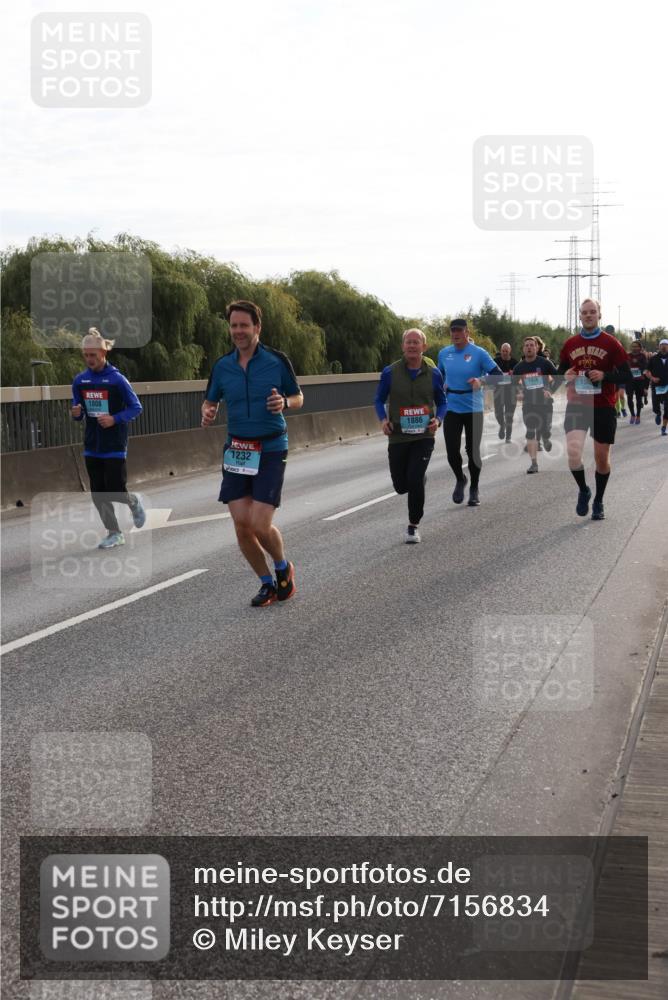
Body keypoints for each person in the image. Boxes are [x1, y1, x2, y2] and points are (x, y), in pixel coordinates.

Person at [202, 300, 303, 607]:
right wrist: (208, 411)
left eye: (244, 325)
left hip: (271, 448)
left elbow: (298, 396)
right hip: (237, 450)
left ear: (257, 327)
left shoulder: (276, 360)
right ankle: (266, 584)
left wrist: (284, 403)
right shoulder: (222, 366)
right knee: (241, 525)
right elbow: (211, 401)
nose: (238, 331)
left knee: (260, 524)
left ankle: (283, 565)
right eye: (234, 325)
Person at [557, 300, 632, 521]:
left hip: (603, 406)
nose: (588, 315)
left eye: (592, 312)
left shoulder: (611, 343)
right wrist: (566, 376)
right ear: (579, 316)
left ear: (600, 315)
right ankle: (583, 489)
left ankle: (598, 500)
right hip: (577, 404)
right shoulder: (571, 343)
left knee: (601, 458)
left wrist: (605, 375)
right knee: (573, 455)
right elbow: (561, 371)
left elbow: (627, 375)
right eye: (584, 313)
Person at [71, 329, 145, 548]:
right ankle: (114, 533)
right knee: (98, 493)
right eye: (86, 355)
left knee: (115, 488)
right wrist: (77, 414)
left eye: (93, 355)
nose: (89, 359)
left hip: (114, 443)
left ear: (104, 353)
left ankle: (133, 502)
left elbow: (136, 407)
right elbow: (80, 410)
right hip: (92, 444)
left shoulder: (117, 380)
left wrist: (114, 419)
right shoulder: (80, 380)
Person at [375, 328, 446, 543]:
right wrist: (383, 420)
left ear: (424, 347)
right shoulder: (390, 372)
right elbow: (378, 399)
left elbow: (442, 402)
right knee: (401, 486)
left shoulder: (434, 374)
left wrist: (438, 420)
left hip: (424, 436)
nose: (412, 346)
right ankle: (417, 478)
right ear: (403, 346)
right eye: (409, 342)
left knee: (414, 479)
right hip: (398, 436)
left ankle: (413, 525)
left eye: (416, 342)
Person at [437, 318, 502, 507]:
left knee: (473, 451)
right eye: (453, 331)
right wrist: (441, 385)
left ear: (467, 332)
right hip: (451, 406)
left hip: (473, 407)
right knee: (451, 452)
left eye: (459, 331)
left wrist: (481, 381)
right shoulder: (444, 353)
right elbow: (437, 376)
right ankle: (460, 478)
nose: (456, 334)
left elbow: (498, 376)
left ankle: (474, 488)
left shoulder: (479, 353)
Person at [513, 337, 561, 473]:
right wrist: (518, 393)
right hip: (528, 404)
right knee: (530, 432)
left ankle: (546, 437)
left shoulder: (545, 363)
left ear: (536, 348)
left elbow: (558, 377)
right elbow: (513, 384)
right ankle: (534, 464)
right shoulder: (519, 367)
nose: (529, 347)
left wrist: (550, 390)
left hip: (545, 403)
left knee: (545, 429)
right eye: (526, 345)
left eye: (531, 345)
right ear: (523, 349)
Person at [492, 342, 518, 442]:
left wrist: (513, 376)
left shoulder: (515, 363)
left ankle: (508, 437)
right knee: (498, 413)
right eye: (503, 351)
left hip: (511, 392)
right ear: (500, 351)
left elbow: (519, 378)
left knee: (509, 415)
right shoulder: (495, 362)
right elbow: (489, 374)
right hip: (499, 391)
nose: (504, 353)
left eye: (506, 351)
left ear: (510, 351)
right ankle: (502, 426)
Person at [645, 339, 668, 435]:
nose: (663, 346)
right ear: (659, 346)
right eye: (662, 345)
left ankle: (664, 427)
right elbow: (646, 371)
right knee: (655, 406)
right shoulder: (653, 359)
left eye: (665, 345)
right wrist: (652, 378)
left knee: (667, 408)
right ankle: (658, 413)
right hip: (656, 386)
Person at [626, 340, 649, 424]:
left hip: (639, 380)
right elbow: (625, 367)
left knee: (639, 399)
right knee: (629, 398)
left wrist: (646, 386)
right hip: (630, 381)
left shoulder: (642, 356)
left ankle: (638, 415)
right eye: (633, 346)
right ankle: (632, 415)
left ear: (640, 348)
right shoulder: (627, 356)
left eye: (636, 346)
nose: (634, 348)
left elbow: (645, 368)